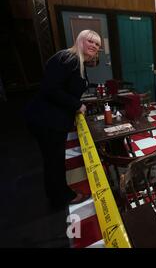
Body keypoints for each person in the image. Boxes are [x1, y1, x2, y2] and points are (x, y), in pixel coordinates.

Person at [25, 30, 101, 208]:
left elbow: (66, 87)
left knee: (54, 159)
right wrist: (76, 105)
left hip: (51, 119)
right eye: (91, 41)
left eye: (97, 45)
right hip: (46, 119)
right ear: (80, 40)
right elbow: (50, 88)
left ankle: (56, 194)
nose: (94, 46)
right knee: (54, 161)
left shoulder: (78, 62)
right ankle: (61, 197)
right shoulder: (68, 58)